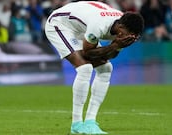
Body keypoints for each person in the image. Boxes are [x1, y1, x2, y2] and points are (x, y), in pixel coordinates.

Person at [45, 1, 144, 134]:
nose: (127, 37)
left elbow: (111, 55)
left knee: (106, 69)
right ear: (120, 26)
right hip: (60, 24)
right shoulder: (100, 25)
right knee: (84, 68)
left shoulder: (124, 28)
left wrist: (119, 46)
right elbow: (88, 53)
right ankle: (76, 123)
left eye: (132, 36)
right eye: (127, 33)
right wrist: (114, 45)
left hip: (81, 27)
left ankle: (91, 122)